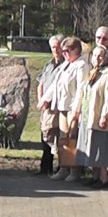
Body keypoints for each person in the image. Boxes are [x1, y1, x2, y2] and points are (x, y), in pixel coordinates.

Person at [42, 36, 89, 182]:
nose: (64, 54)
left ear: (76, 50)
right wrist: (45, 99)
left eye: (67, 51)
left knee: (72, 139)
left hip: (72, 108)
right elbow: (55, 83)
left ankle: (74, 171)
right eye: (63, 51)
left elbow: (82, 88)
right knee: (63, 138)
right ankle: (63, 168)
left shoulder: (82, 65)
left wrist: (76, 109)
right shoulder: (65, 65)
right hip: (61, 106)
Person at [71, 46, 108, 188]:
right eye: (95, 55)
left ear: (105, 58)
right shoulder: (92, 73)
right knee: (91, 147)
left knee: (101, 148)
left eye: (100, 56)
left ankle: (103, 178)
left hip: (99, 117)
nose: (97, 58)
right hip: (87, 117)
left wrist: (105, 115)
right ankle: (95, 176)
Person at [35, 35, 65, 175]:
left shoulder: (66, 65)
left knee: (58, 139)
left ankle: (61, 167)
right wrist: (41, 100)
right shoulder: (49, 64)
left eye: (58, 46)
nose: (56, 49)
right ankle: (45, 168)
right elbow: (40, 83)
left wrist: (49, 101)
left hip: (57, 107)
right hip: (45, 107)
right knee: (45, 137)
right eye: (53, 47)